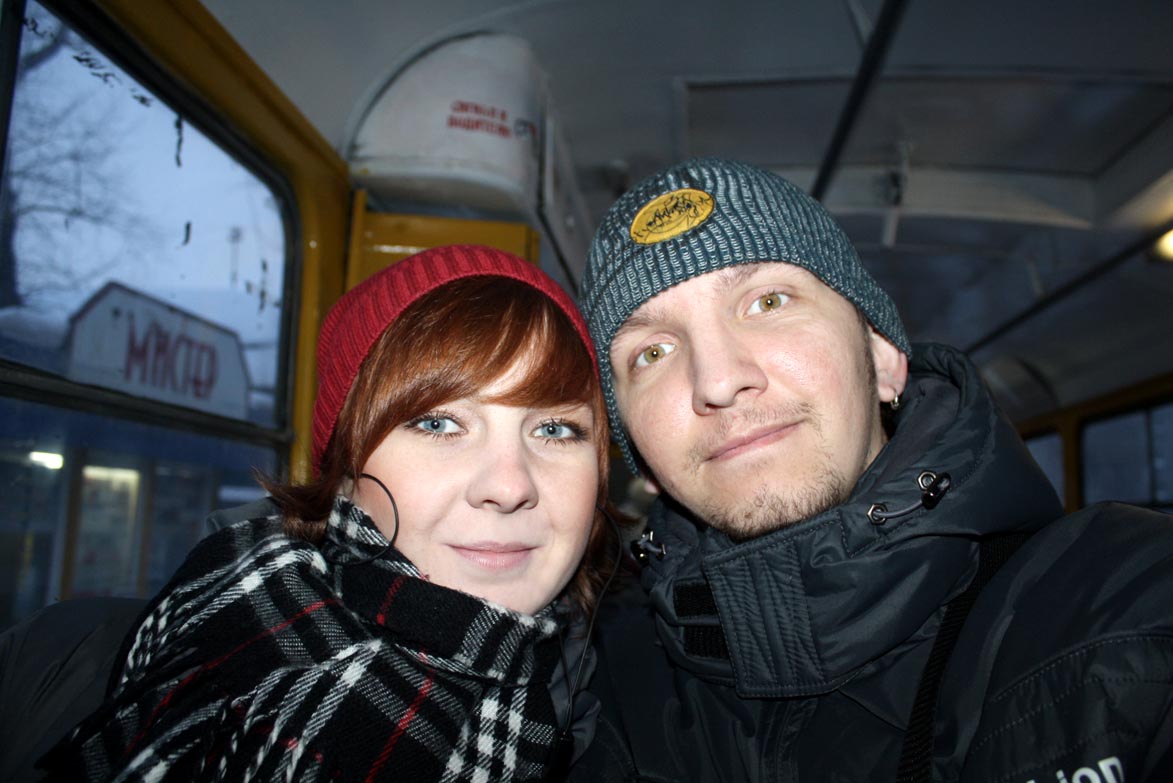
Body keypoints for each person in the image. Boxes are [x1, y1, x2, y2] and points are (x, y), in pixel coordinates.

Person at [570, 158, 1173, 782]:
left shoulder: (1127, 608)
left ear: (883, 357)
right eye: (652, 352)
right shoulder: (587, 687)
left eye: (768, 301)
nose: (718, 381)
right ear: (637, 453)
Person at [41, 244, 618, 782]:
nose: (509, 486)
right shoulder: (272, 702)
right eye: (439, 423)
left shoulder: (597, 676)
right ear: (344, 470)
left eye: (555, 429)